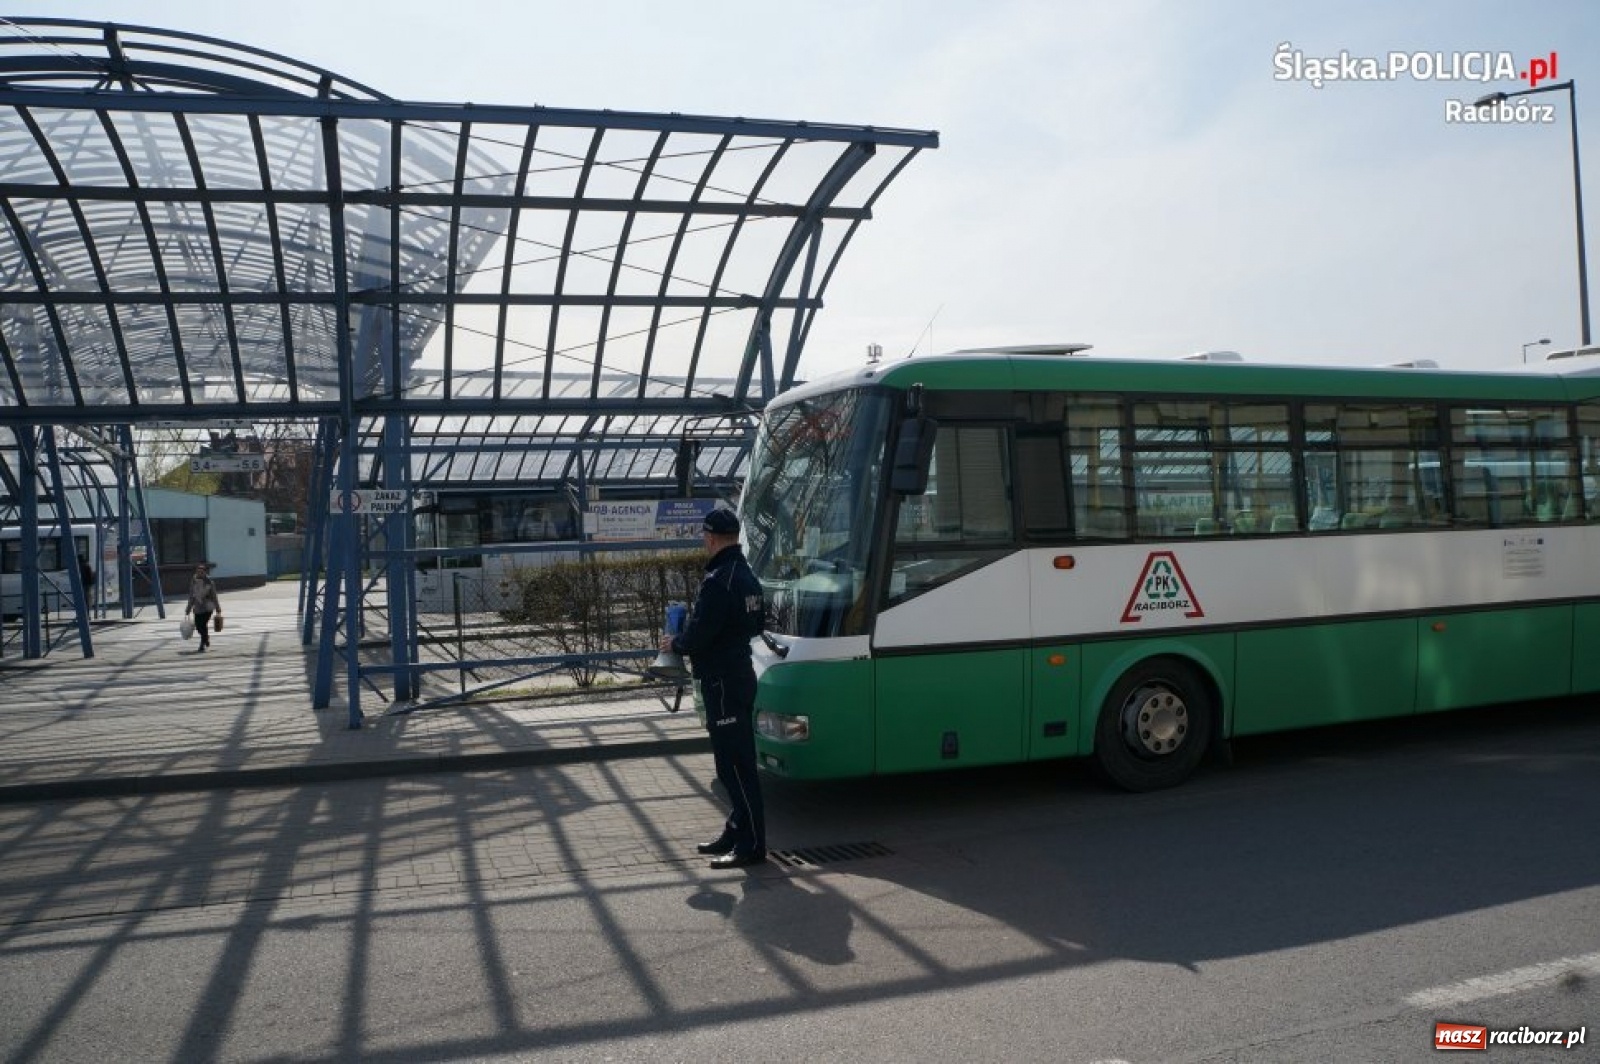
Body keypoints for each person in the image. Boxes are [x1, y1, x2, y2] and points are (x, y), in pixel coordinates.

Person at [659, 508, 767, 868]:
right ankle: (736, 828)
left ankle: (751, 845)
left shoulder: (719, 580)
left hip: (722, 681)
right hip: (739, 674)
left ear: (710, 538)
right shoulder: (747, 575)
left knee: (735, 767)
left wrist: (675, 644)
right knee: (733, 763)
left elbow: (700, 633)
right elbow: (755, 624)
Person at [184, 563, 222, 652]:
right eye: (198, 572)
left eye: (202, 572)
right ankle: (206, 638)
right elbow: (191, 597)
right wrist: (188, 609)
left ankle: (202, 644)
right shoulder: (193, 582)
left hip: (207, 608)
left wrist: (218, 608)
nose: (200, 573)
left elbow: (214, 596)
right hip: (197, 608)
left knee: (203, 625)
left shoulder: (210, 582)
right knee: (198, 626)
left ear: (205, 572)